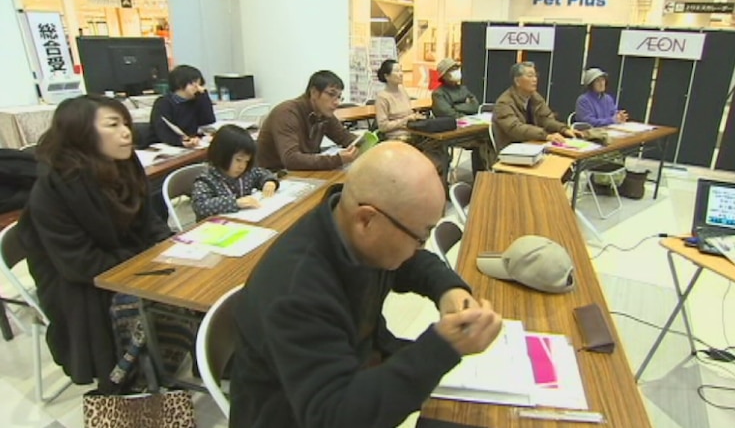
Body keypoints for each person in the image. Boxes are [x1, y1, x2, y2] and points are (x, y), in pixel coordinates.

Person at [229, 141, 503, 428]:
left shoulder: (346, 226)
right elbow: (335, 417)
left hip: (356, 375)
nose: (418, 247)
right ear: (367, 220)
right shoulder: (298, 291)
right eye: (420, 236)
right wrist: (443, 346)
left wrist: (448, 289)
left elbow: (410, 262)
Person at [17, 95, 173, 393]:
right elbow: (80, 264)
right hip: (77, 284)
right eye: (113, 125)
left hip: (122, 260)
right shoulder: (53, 189)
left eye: (125, 123)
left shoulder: (125, 166)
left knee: (190, 275)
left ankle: (176, 352)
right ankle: (130, 374)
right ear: (81, 133)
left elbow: (149, 222)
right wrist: (146, 258)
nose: (127, 131)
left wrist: (168, 245)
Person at [256, 71, 358, 171]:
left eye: (339, 97)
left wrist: (367, 144)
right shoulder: (287, 113)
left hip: (300, 172)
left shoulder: (323, 113)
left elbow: (344, 137)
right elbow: (291, 159)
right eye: (331, 94)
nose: (337, 102)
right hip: (272, 175)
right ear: (313, 93)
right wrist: (337, 159)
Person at [375, 60, 450, 190]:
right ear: (387, 76)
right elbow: (383, 126)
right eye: (397, 71)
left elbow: (408, 113)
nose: (401, 74)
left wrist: (414, 116)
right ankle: (420, 185)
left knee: (441, 149)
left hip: (413, 133)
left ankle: (439, 186)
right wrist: (404, 120)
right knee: (426, 156)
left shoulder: (402, 91)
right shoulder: (382, 97)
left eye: (401, 70)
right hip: (397, 138)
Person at [190, 125, 280, 222]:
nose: (242, 166)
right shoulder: (206, 179)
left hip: (244, 222)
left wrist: (269, 181)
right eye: (238, 160)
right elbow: (201, 206)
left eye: (246, 161)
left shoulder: (245, 174)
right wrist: (235, 203)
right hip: (215, 229)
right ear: (222, 154)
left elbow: (261, 173)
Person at [492, 61, 581, 151]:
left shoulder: (535, 97)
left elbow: (546, 119)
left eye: (535, 76)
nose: (535, 79)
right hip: (511, 149)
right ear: (517, 81)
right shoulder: (504, 103)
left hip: (534, 145)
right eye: (530, 76)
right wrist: (546, 136)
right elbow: (516, 129)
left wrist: (564, 129)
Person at [431, 58, 489, 174]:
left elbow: (475, 106)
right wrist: (464, 106)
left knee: (488, 140)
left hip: (471, 128)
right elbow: (449, 114)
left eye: (457, 68)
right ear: (444, 75)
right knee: (481, 143)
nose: (456, 71)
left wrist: (456, 106)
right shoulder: (438, 94)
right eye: (452, 69)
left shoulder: (463, 88)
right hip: (453, 132)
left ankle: (483, 176)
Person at [149, 64, 216, 148]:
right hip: (169, 145)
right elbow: (162, 131)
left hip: (193, 144)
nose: (198, 87)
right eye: (194, 83)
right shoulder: (163, 103)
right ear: (180, 84)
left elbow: (208, 121)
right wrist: (181, 142)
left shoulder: (197, 100)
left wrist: (204, 96)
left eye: (199, 84)